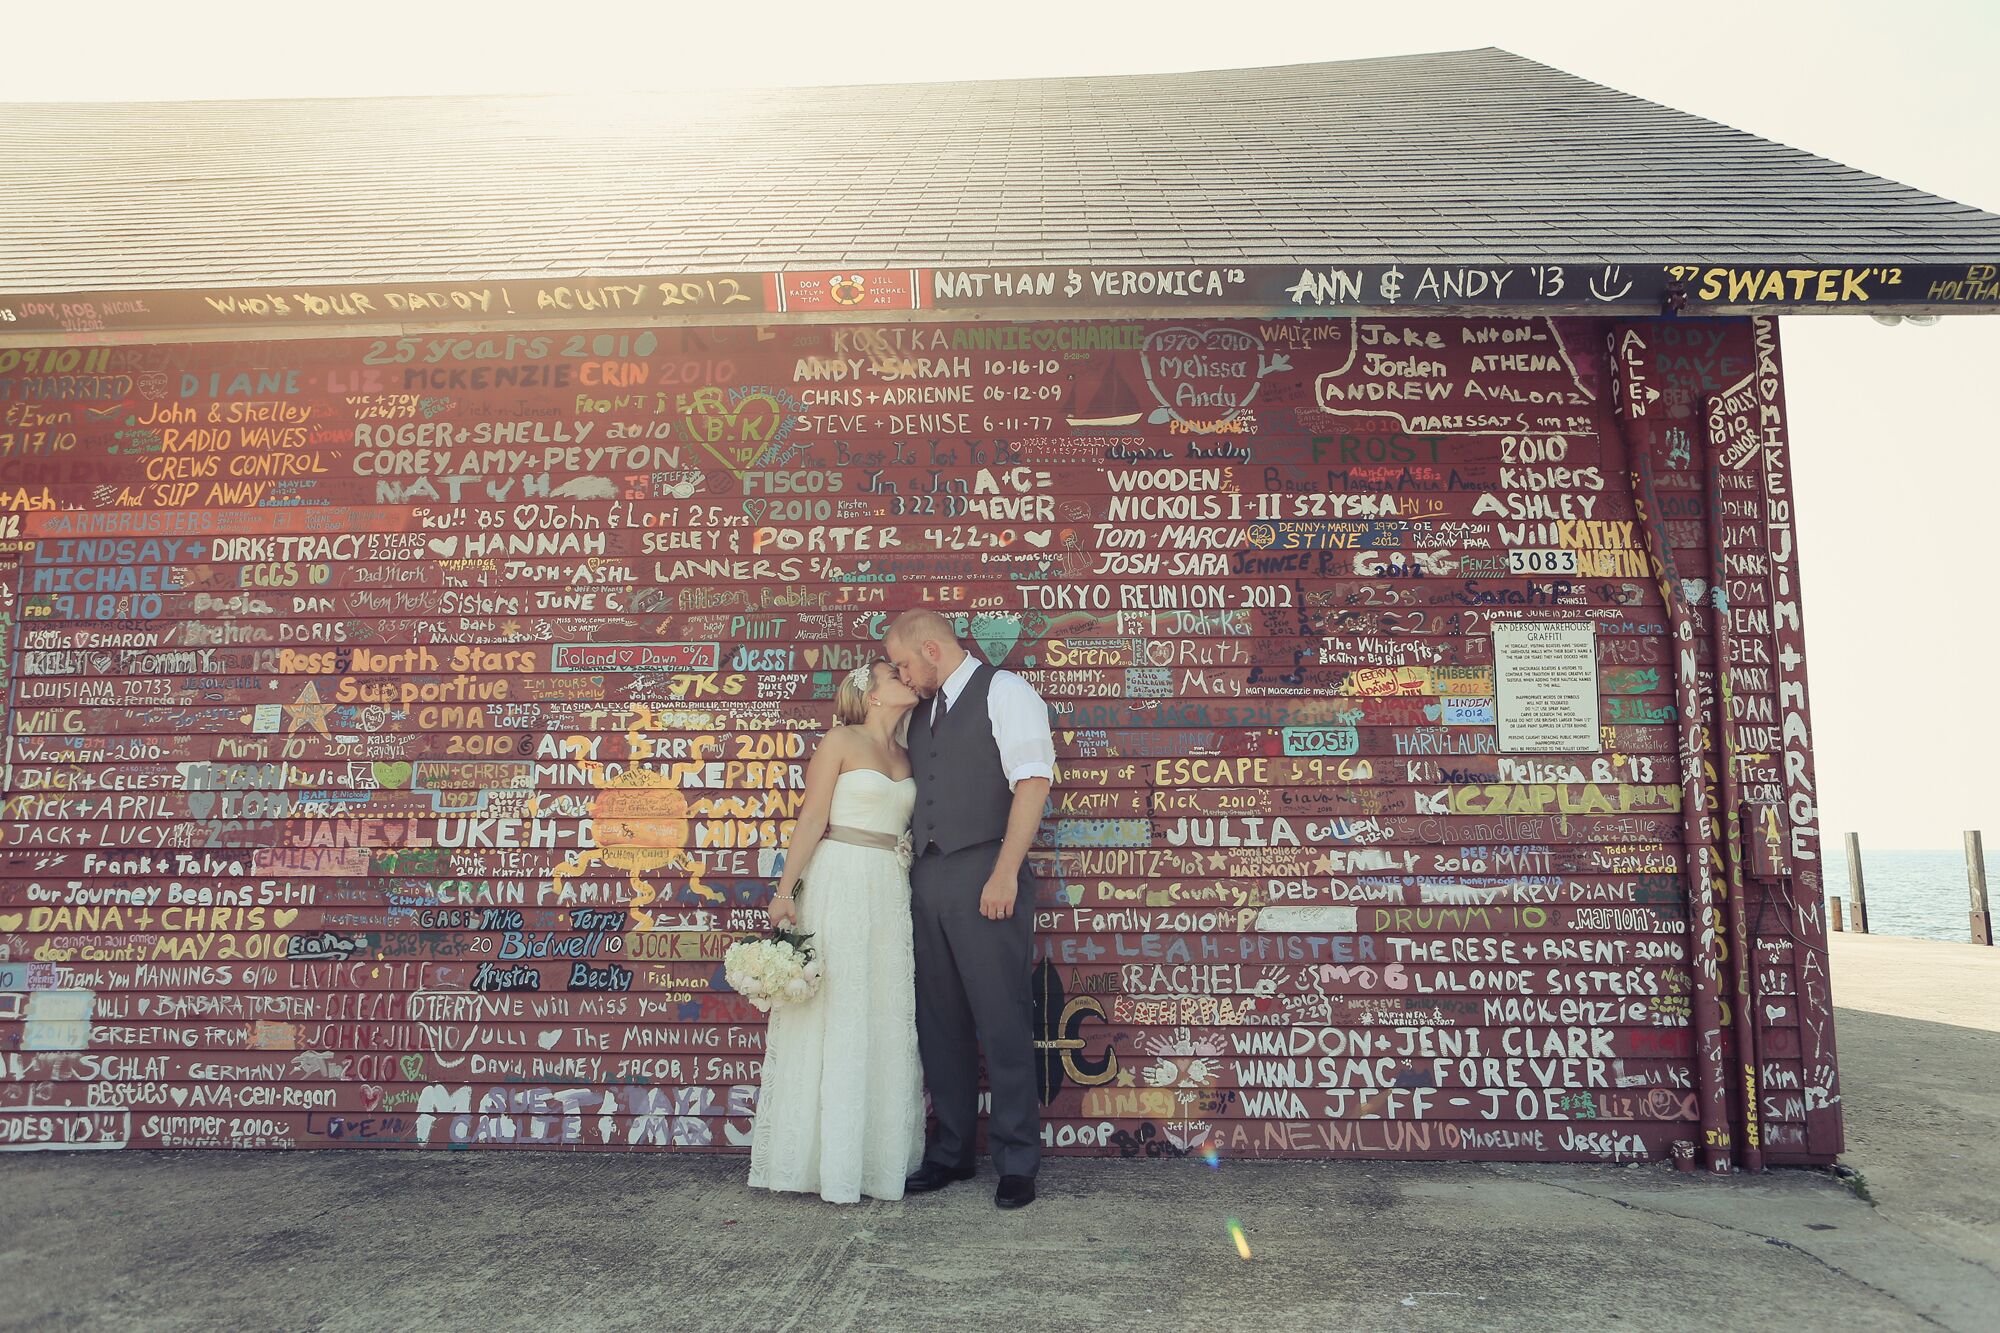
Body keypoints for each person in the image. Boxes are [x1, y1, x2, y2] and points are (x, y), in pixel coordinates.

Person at [884, 609, 1056, 1210]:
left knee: (1002, 1018)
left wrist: (1005, 872)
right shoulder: (921, 713)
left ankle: (1016, 1162)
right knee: (940, 1022)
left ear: (931, 650)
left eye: (904, 663)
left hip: (988, 869)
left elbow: (1032, 781)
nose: (902, 676)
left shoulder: (1005, 692)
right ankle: (951, 1151)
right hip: (928, 878)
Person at [747, 659, 925, 1204]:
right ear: (872, 695)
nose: (907, 679)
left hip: (890, 888)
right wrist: (783, 894)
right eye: (894, 675)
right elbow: (811, 819)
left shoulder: (906, 752)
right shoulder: (839, 741)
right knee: (838, 1009)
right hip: (841, 879)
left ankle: (874, 1158)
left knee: (881, 1008)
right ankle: (821, 1161)